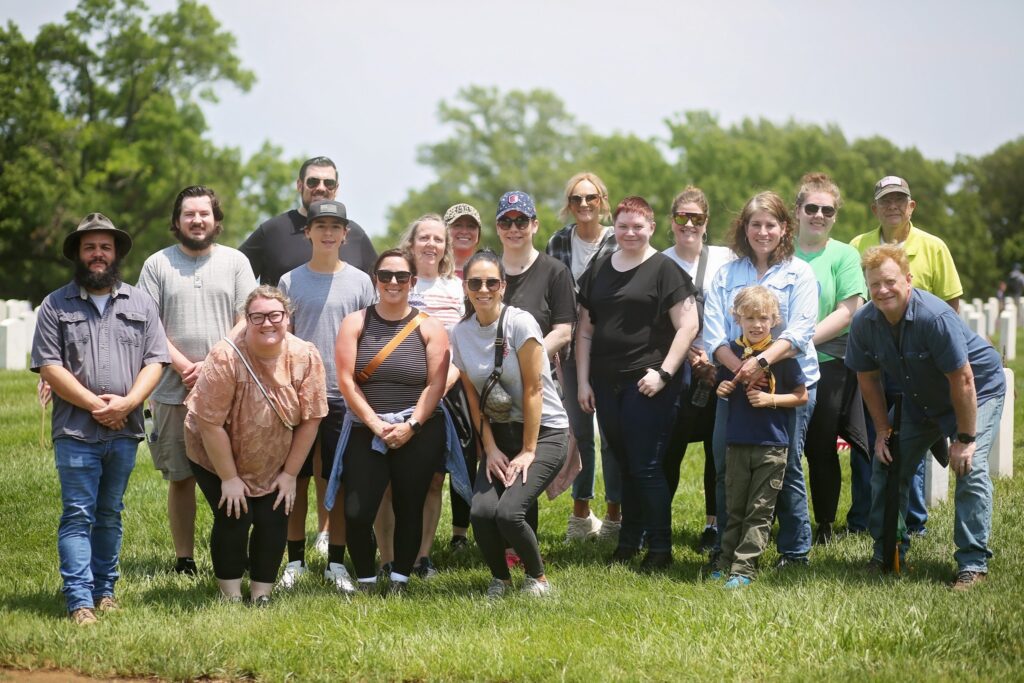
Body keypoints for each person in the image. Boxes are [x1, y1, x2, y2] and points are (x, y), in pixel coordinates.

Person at [32, 213, 170, 625]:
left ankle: (104, 590)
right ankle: (79, 601)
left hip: (125, 431)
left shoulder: (141, 303)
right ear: (78, 253)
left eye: (105, 247)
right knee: (78, 513)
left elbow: (156, 360)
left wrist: (127, 403)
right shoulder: (56, 304)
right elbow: (49, 367)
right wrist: (98, 405)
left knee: (110, 512)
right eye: (90, 247)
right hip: (75, 430)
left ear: (115, 254)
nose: (97, 255)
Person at [846, 245, 1004, 590]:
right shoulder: (863, 322)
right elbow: (867, 378)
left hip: (976, 389)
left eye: (890, 281)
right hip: (917, 396)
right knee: (888, 464)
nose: (883, 290)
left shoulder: (935, 317)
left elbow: (963, 379)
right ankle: (887, 552)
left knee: (970, 468)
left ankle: (972, 564)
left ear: (908, 279)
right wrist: (883, 430)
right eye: (875, 285)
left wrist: (964, 440)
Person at [137, 185, 256, 576]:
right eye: (189, 213)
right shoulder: (157, 265)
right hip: (172, 389)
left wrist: (211, 363)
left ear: (216, 220)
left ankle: (238, 550)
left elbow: (247, 319)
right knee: (181, 476)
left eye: (204, 213)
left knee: (237, 472)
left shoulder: (236, 262)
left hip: (229, 389)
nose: (197, 220)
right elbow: (147, 323)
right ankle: (184, 558)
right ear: (176, 221)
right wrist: (185, 365)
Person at [576, 196, 700, 569]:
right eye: (624, 226)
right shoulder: (599, 268)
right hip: (606, 382)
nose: (630, 233)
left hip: (648, 383)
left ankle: (661, 549)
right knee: (626, 461)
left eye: (638, 226)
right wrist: (583, 381)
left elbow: (688, 326)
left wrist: (663, 373)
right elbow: (585, 330)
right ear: (615, 227)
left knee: (646, 465)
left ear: (651, 228)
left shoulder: (666, 270)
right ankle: (628, 544)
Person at [185, 286, 326, 604]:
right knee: (235, 514)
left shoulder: (305, 355)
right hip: (215, 451)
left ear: (287, 318)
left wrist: (290, 475)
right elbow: (209, 423)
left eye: (274, 315)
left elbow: (312, 419)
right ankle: (231, 596)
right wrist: (230, 479)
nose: (267, 323)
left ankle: (262, 594)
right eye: (257, 316)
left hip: (273, 455)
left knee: (274, 515)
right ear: (246, 320)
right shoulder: (226, 356)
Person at [704, 191, 819, 569]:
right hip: (735, 390)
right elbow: (715, 336)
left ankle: (794, 551)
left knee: (785, 468)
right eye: (756, 224)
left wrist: (761, 363)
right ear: (745, 228)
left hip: (787, 384)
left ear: (784, 228)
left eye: (771, 224)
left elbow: (801, 330)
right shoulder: (727, 274)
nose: (763, 231)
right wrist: (742, 373)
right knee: (727, 466)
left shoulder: (799, 273)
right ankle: (728, 549)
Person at [450, 250, 570, 597]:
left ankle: (538, 579)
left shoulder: (521, 322)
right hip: (498, 435)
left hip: (544, 432)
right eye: (475, 282)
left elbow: (534, 388)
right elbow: (474, 396)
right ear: (466, 287)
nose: (483, 289)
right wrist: (489, 448)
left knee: (509, 512)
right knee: (482, 512)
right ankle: (500, 580)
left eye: (491, 282)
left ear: (502, 286)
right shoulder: (461, 333)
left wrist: (529, 451)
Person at [331, 249, 450, 595]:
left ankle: (400, 579)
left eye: (401, 276)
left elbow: (436, 384)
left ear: (413, 281)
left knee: (409, 506)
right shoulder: (355, 322)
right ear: (375, 280)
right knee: (356, 510)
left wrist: (411, 425)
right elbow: (346, 380)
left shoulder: (430, 327)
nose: (393, 282)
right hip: (365, 429)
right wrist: (375, 424)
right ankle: (366, 579)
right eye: (386, 276)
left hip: (418, 429)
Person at [850, 175, 963, 537]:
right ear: (875, 209)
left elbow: (951, 306)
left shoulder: (933, 246)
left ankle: (913, 522)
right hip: (878, 359)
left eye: (900, 200)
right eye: (886, 201)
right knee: (875, 440)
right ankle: (869, 518)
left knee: (909, 445)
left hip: (923, 361)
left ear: (912, 206)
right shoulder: (858, 246)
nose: (893, 206)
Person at [276, 200, 375, 592]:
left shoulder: (361, 282)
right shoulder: (290, 281)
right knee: (296, 479)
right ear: (308, 232)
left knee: (340, 480)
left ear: (345, 234)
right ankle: (295, 560)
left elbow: (368, 338)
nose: (328, 233)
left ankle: (336, 563)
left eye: (336, 226)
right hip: (300, 396)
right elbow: (282, 339)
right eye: (321, 226)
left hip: (345, 395)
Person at [496, 190, 576, 562]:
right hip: (493, 386)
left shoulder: (553, 271)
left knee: (529, 460)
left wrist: (529, 357)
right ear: (497, 228)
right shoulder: (488, 272)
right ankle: (503, 539)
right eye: (507, 221)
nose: (514, 229)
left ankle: (523, 545)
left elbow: (565, 328)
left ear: (534, 225)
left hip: (538, 381)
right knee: (503, 455)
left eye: (521, 221)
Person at [713, 286, 808, 588]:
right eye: (749, 317)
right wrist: (723, 389)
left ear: (775, 320)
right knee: (734, 506)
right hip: (737, 441)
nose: (756, 324)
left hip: (771, 445)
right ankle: (725, 561)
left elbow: (801, 396)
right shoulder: (732, 352)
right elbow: (722, 385)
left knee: (760, 509)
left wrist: (770, 400)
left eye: (763, 318)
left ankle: (744, 569)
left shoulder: (781, 357)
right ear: (737, 318)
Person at [792, 173, 870, 543]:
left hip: (829, 363)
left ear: (835, 216)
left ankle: (823, 523)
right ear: (797, 211)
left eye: (827, 210)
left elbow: (848, 309)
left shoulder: (844, 255)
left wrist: (799, 341)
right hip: (777, 362)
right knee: (782, 447)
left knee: (820, 446)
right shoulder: (779, 249)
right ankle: (787, 520)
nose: (819, 215)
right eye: (811, 208)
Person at [546, 172, 622, 542]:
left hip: (611, 350)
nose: (585, 205)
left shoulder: (618, 239)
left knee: (611, 433)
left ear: (603, 201)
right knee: (580, 431)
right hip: (570, 350)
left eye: (591, 198)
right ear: (569, 205)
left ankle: (614, 516)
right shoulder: (558, 241)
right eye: (577, 199)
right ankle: (580, 514)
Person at [661, 185, 735, 552]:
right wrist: (690, 355)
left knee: (715, 449)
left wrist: (715, 356)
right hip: (676, 366)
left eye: (697, 218)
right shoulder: (658, 261)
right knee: (669, 448)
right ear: (671, 221)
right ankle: (657, 523)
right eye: (682, 217)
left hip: (721, 363)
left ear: (707, 223)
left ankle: (713, 525)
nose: (689, 224)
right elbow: (655, 321)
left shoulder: (726, 258)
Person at [240, 156, 377, 285]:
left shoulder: (356, 235)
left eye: (329, 183)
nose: (321, 188)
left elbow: (380, 288)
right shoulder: (272, 231)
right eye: (313, 182)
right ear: (299, 185)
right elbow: (233, 278)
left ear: (336, 189)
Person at [444, 203, 483, 277]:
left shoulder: (490, 270)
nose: (464, 231)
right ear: (445, 231)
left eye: (471, 226)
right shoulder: (434, 269)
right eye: (457, 225)